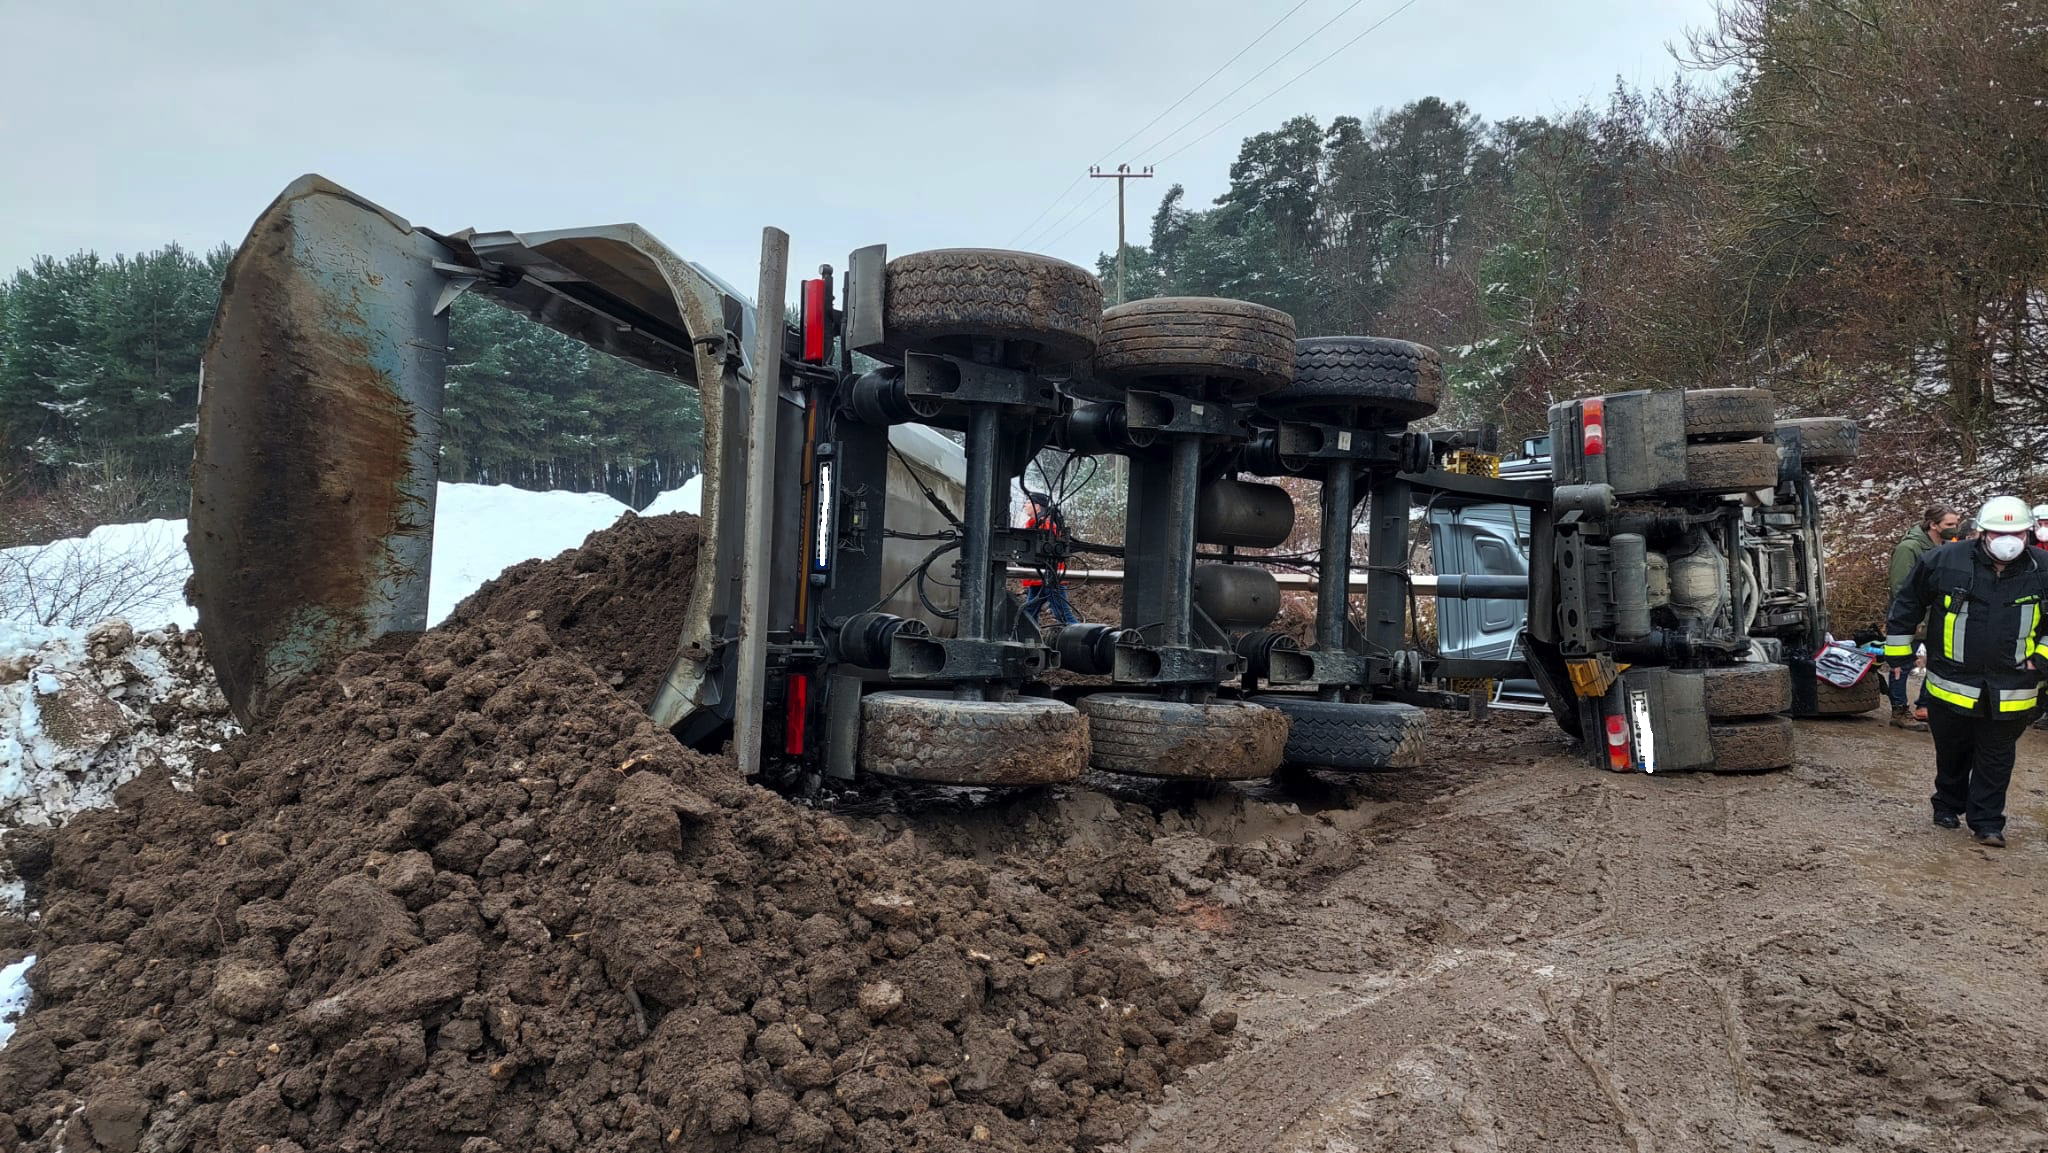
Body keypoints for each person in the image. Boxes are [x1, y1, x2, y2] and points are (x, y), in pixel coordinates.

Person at [1884, 495, 2048, 848]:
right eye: (2000, 533)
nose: (2009, 541)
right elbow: (1908, 602)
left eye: (2018, 533)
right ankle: (1947, 804)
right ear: (1982, 532)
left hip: (2013, 687)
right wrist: (1898, 653)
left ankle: (1988, 822)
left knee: (1996, 757)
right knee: (1953, 751)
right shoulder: (1944, 561)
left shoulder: (2044, 570)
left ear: (2029, 534)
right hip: (1951, 684)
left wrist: (2041, 660)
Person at [1885, 505, 1961, 729]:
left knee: (1940, 663)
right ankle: (1899, 710)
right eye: (1949, 525)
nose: (1954, 528)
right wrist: (1912, 618)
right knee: (1902, 663)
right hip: (1913, 618)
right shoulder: (1909, 548)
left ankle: (1925, 706)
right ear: (1933, 525)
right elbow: (1900, 586)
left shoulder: (1949, 548)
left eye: (1955, 524)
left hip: (1939, 617)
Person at [1018, 491, 1078, 626]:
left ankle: (1086, 641)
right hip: (1039, 578)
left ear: (1037, 506)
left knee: (1063, 616)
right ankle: (1028, 640)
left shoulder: (1046, 526)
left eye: (1028, 502)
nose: (1024, 505)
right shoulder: (1034, 524)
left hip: (1049, 577)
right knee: (1029, 615)